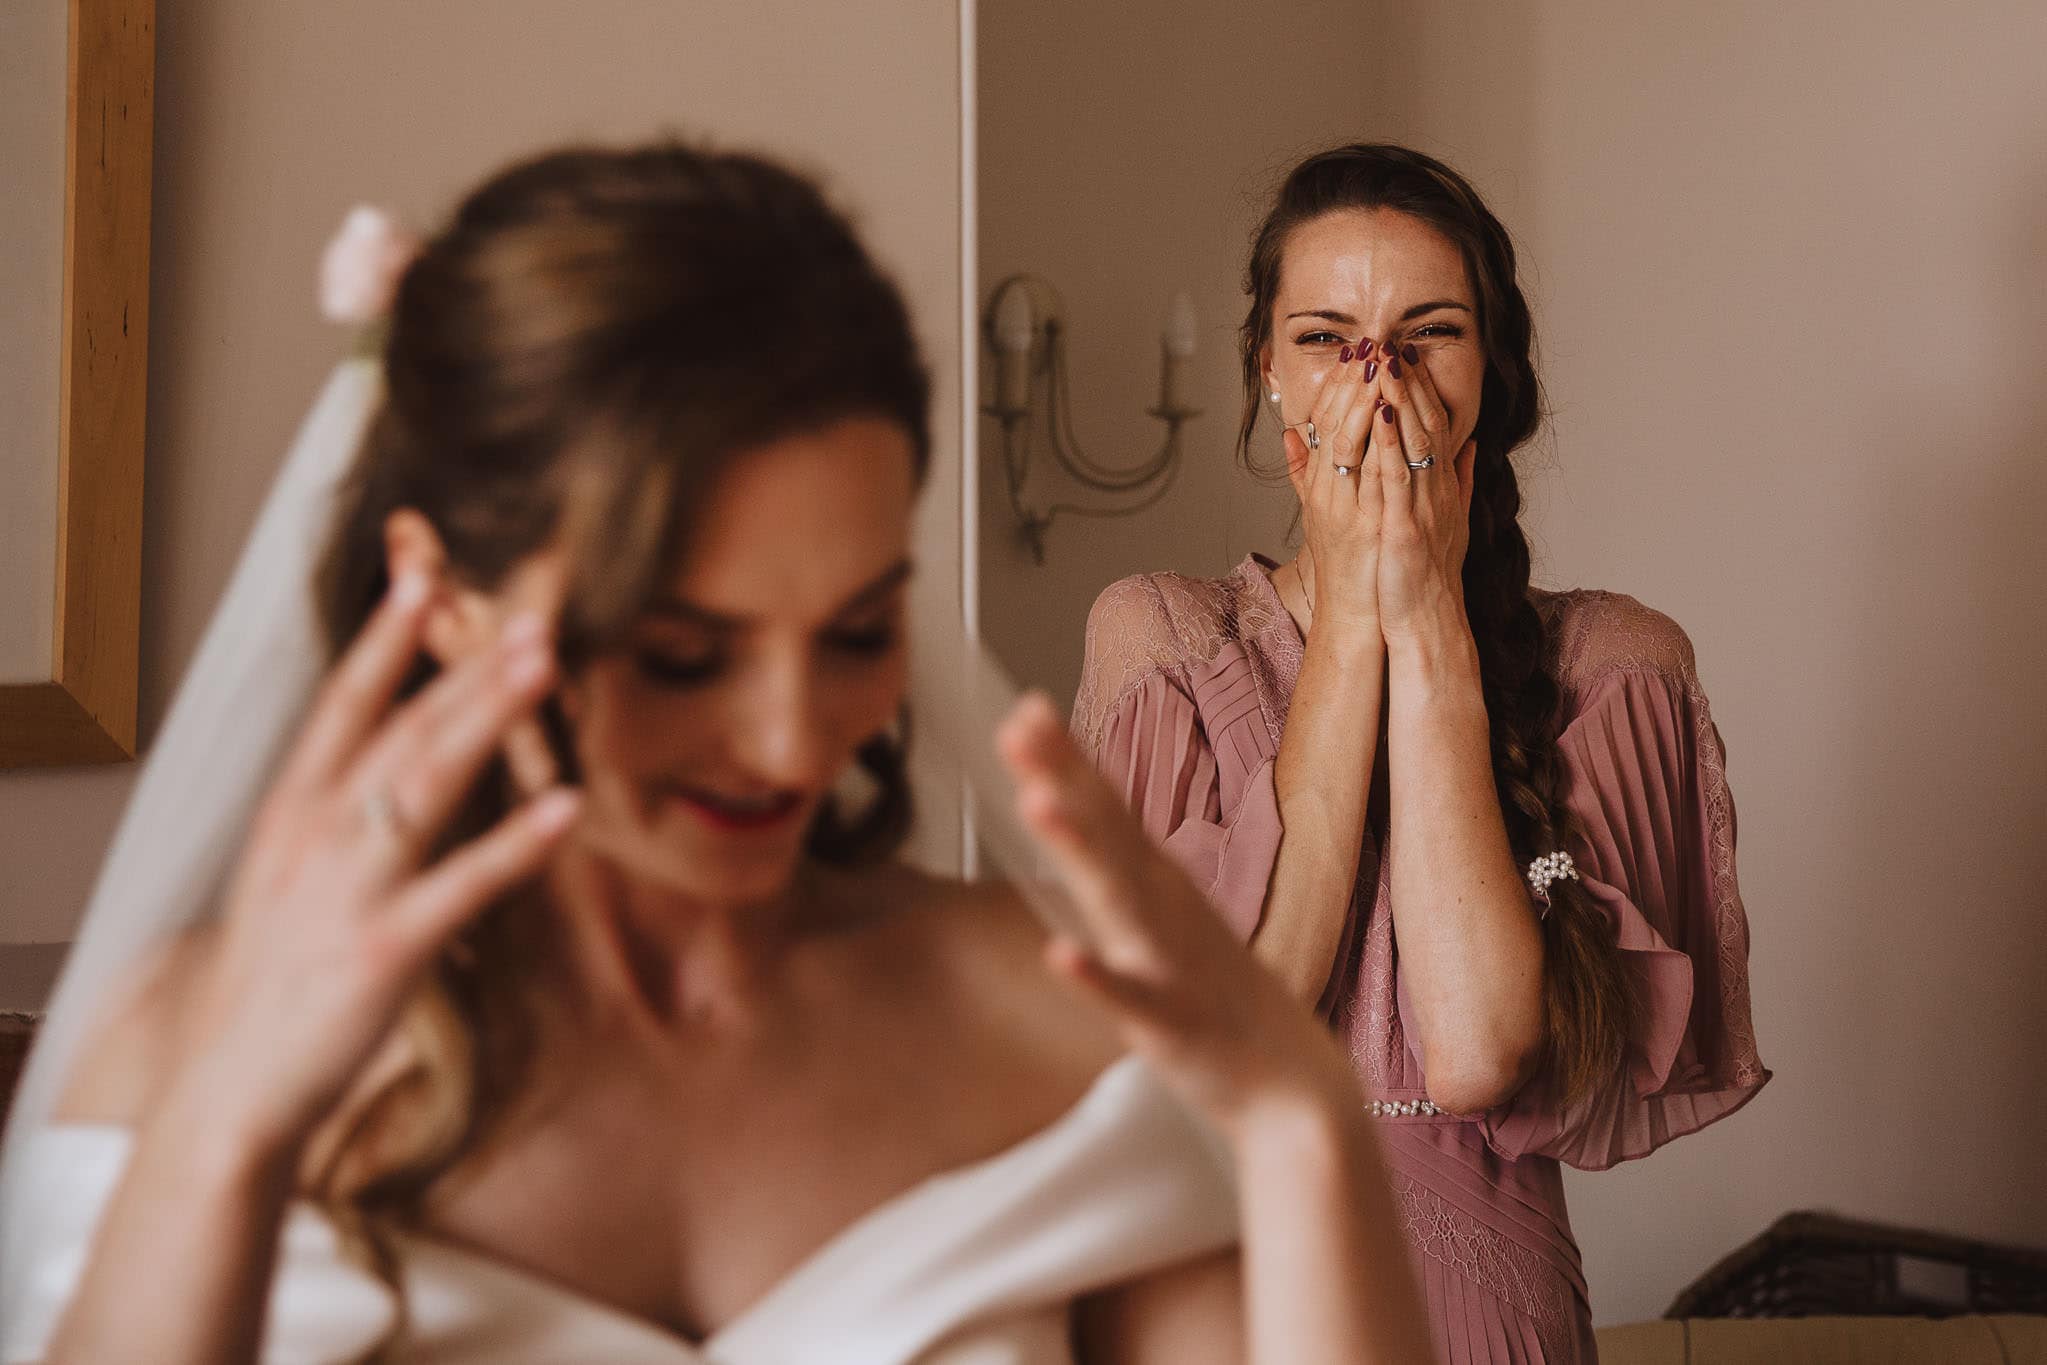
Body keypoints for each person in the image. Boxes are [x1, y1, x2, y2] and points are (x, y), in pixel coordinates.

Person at [0, 144, 1434, 1364]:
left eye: (860, 631)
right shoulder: (189, 1051)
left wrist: (1298, 1112)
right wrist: (225, 1139)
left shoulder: (1033, 1012)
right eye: (681, 653)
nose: (788, 737)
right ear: (438, 593)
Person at [1072, 143, 1771, 1364]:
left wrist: (1425, 611)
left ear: (1491, 375)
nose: (1375, 379)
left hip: (1485, 1324)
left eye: (1426, 333)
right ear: (1267, 374)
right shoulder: (1162, 643)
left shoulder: (1613, 666)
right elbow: (1238, 1041)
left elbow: (1475, 1051)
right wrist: (1348, 619)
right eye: (1326, 337)